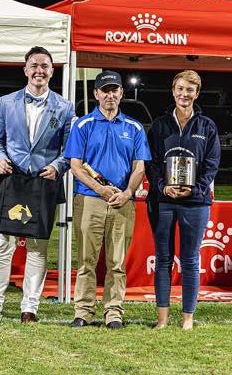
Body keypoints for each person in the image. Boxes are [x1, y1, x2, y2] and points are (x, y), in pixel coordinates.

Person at [0, 46, 74, 323]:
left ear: (52, 71)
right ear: (25, 70)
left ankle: (30, 308)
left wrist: (58, 166)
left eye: (44, 66)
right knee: (1, 245)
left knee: (37, 247)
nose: (39, 71)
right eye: (34, 65)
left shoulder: (65, 106)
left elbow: (70, 149)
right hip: (12, 181)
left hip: (44, 183)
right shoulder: (6, 102)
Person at [67, 70, 150, 329]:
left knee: (117, 262)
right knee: (86, 260)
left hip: (122, 202)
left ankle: (114, 312)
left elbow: (139, 167)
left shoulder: (134, 127)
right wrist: (99, 189)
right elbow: (75, 166)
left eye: (114, 90)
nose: (110, 95)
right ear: (96, 94)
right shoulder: (83, 125)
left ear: (122, 93)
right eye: (105, 90)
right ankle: (83, 311)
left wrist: (127, 193)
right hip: (89, 199)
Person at [146, 70, 220, 330]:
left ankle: (188, 318)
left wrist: (195, 189)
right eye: (180, 89)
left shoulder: (207, 126)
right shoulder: (159, 125)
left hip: (195, 202)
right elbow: (151, 163)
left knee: (190, 260)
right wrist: (162, 187)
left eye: (190, 90)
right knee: (163, 259)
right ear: (173, 91)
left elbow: (212, 164)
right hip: (163, 201)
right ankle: (162, 319)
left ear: (197, 94)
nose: (184, 94)